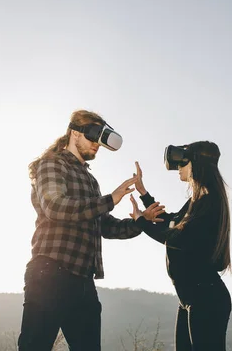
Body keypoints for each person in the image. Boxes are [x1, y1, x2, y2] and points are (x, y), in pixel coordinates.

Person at [18, 109, 162, 351]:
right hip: (50, 273)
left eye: (100, 140)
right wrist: (111, 199)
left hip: (83, 282)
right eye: (92, 137)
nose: (97, 145)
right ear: (74, 133)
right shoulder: (52, 164)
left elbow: (105, 225)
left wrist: (142, 221)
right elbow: (55, 207)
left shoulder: (90, 180)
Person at [129, 141, 232, 351]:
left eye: (183, 163)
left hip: (206, 298)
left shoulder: (209, 202)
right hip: (190, 298)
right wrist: (143, 193)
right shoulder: (197, 201)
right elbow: (172, 221)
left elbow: (176, 237)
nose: (178, 168)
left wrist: (140, 221)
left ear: (197, 164)